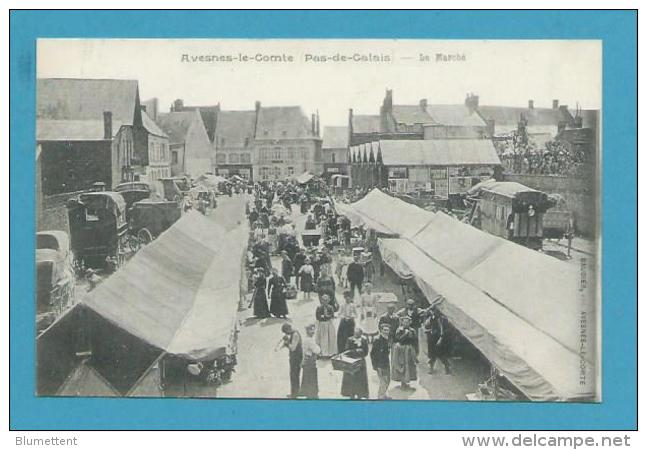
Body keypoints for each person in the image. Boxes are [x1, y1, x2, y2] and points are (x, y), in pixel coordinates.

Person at [340, 327, 369, 399]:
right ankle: (351, 394)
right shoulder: (350, 340)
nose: (356, 335)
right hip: (351, 362)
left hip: (360, 362)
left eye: (358, 334)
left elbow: (366, 352)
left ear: (361, 334)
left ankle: (360, 394)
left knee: (360, 379)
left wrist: (361, 352)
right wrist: (356, 351)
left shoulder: (364, 340)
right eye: (355, 334)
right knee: (351, 379)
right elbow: (347, 351)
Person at [391, 316, 418, 390]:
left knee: (409, 365)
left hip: (410, 349)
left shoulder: (412, 330)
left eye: (407, 322)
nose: (406, 323)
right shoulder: (399, 330)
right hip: (401, 349)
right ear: (402, 322)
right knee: (402, 364)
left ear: (410, 322)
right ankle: (402, 383)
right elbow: (397, 339)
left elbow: (415, 341)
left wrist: (416, 352)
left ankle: (407, 382)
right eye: (404, 322)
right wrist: (405, 334)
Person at [276, 323, 303, 398]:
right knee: (294, 375)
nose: (286, 334)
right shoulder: (294, 333)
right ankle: (296, 392)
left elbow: (292, 348)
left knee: (294, 375)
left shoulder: (295, 335)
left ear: (288, 330)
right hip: (295, 357)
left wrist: (287, 342)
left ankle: (294, 394)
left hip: (296, 357)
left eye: (286, 332)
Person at [424, 304, 452, 374]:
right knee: (432, 354)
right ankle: (431, 368)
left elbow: (441, 329)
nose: (432, 312)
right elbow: (427, 325)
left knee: (441, 354)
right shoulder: (431, 317)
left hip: (438, 337)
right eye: (431, 310)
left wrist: (440, 338)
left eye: (433, 310)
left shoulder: (440, 318)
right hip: (432, 338)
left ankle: (447, 367)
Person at [370, 323, 392, 399]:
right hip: (380, 365)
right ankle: (380, 396)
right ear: (381, 330)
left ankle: (383, 394)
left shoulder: (387, 339)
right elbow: (372, 354)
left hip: (386, 363)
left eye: (388, 330)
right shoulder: (377, 340)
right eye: (384, 330)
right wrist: (375, 366)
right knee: (383, 381)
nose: (386, 332)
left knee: (388, 380)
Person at [300, 323, 321, 399]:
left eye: (313, 330)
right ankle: (312, 393)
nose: (313, 332)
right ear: (307, 331)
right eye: (311, 330)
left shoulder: (306, 339)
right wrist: (319, 347)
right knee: (311, 377)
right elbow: (317, 350)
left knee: (306, 376)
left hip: (306, 360)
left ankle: (305, 391)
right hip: (310, 361)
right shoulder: (309, 340)